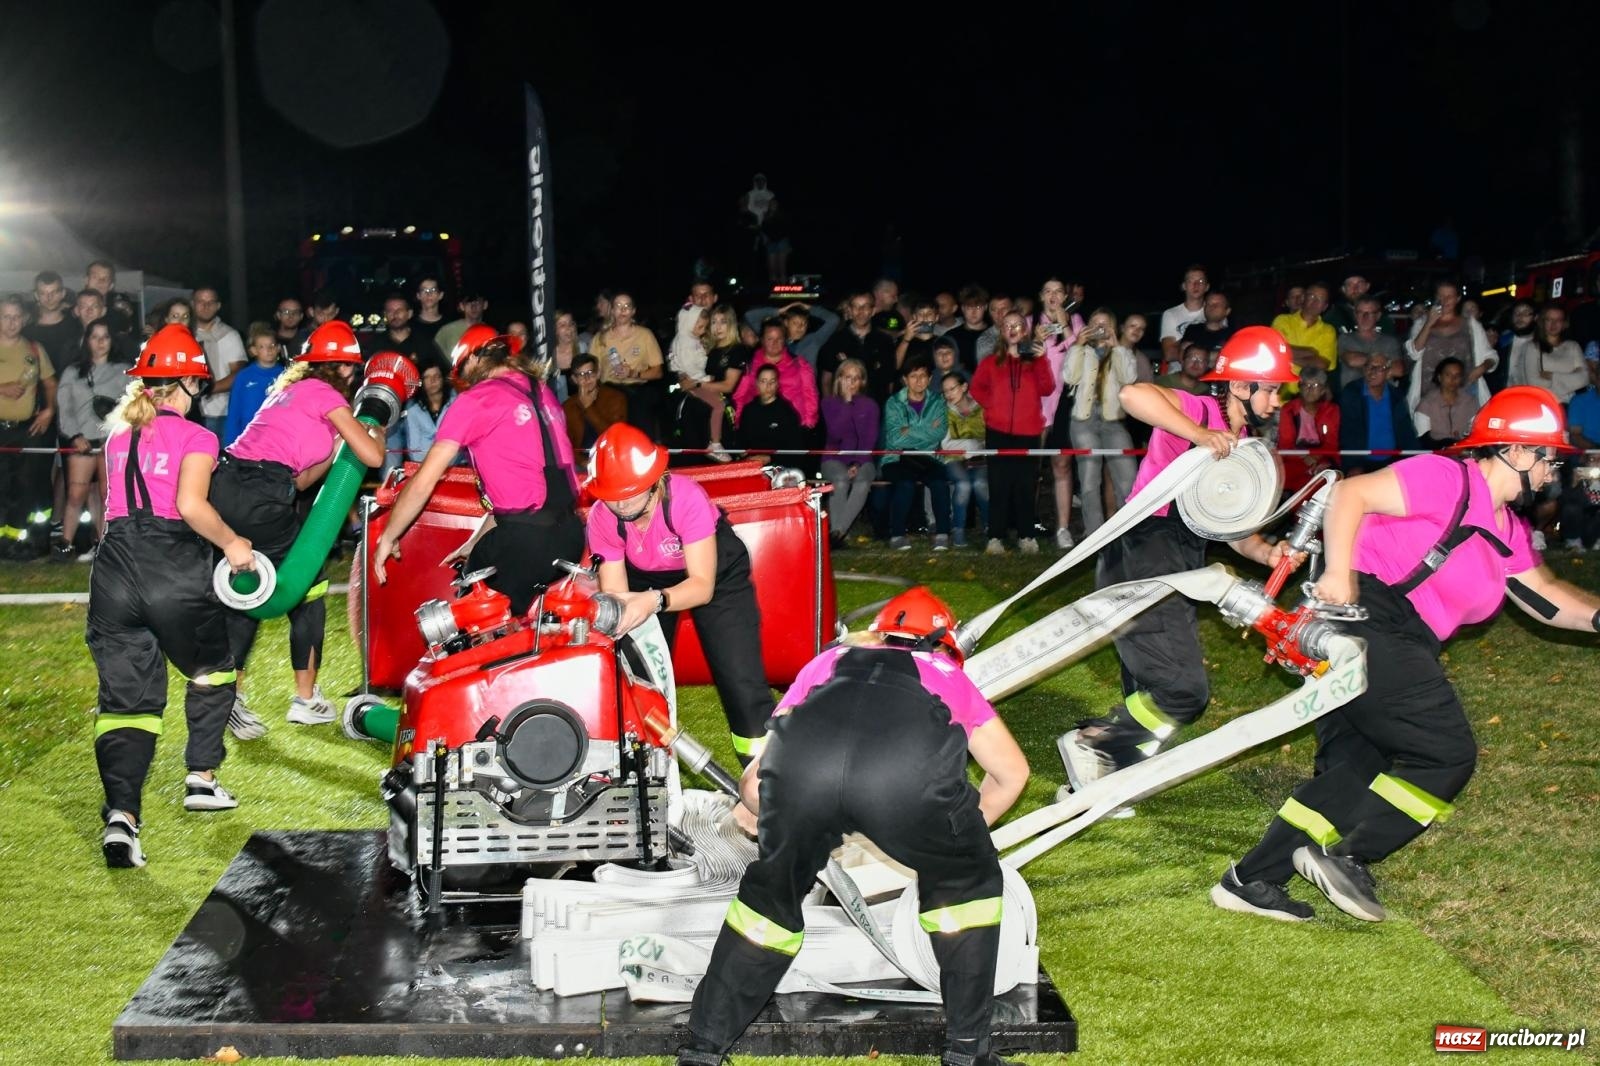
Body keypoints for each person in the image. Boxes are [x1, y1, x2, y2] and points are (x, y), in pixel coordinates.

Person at [1215, 386, 1600, 923]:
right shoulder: (1445, 478)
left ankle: (1251, 880)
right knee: (1446, 752)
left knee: (1357, 766)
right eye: (1547, 457)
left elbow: (1546, 597)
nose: (1551, 471)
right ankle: (1349, 855)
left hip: (1402, 637)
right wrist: (1339, 572)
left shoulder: (1507, 530)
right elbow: (1349, 495)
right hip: (1368, 618)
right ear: (1515, 450)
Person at [676, 587, 1029, 1066]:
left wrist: (786, 820)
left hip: (805, 777)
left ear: (878, 633)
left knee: (768, 904)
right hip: (904, 783)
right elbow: (1012, 774)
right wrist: (955, 838)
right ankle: (968, 1051)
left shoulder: (826, 662)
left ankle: (702, 1049)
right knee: (967, 890)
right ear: (946, 643)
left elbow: (756, 785)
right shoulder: (949, 675)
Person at [1057, 327, 1302, 792]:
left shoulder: (1240, 438)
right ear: (1239, 385)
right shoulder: (1201, 411)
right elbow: (1131, 395)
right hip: (1146, 549)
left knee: (1150, 687)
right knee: (1182, 690)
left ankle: (1098, 783)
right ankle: (1094, 742)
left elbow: (1232, 529)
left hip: (1175, 558)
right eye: (1271, 390)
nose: (1277, 402)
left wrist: (1267, 552)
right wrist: (1199, 434)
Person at [90, 324, 256, 868]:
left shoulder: (118, 435)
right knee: (213, 669)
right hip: (173, 564)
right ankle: (201, 777)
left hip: (114, 568)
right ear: (189, 382)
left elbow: (111, 507)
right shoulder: (197, 437)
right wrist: (233, 544)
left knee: (125, 705)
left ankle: (122, 818)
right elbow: (190, 506)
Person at [211, 320, 387, 736]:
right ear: (341, 368)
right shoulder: (327, 395)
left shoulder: (289, 391)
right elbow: (373, 457)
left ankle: (230, 695)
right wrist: (375, 427)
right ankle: (304, 700)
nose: (352, 376)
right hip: (262, 492)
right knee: (308, 587)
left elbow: (303, 480)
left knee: (248, 585)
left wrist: (340, 442)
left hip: (229, 485)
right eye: (350, 368)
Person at [584, 424, 777, 765]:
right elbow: (618, 597)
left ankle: (766, 773)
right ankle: (645, 769)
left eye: (630, 493)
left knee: (740, 678)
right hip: (644, 578)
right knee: (634, 678)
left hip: (715, 576)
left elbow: (701, 586)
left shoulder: (686, 498)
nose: (621, 504)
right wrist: (627, 616)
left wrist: (655, 601)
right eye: (611, 495)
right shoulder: (602, 517)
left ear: (655, 481)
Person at [375, 326, 583, 618]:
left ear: (472, 360)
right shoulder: (543, 392)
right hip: (570, 535)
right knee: (535, 626)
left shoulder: (477, 399)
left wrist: (388, 536)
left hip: (525, 542)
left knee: (471, 616)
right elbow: (525, 493)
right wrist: (473, 544)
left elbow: (424, 481)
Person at [970, 311, 1055, 554]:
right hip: (997, 431)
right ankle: (995, 536)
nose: (1013, 329)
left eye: (1018, 324)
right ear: (1002, 331)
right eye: (1008, 325)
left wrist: (1041, 359)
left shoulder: (1036, 361)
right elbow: (976, 388)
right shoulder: (990, 362)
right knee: (999, 485)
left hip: (1028, 432)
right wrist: (993, 406)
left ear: (1025, 330)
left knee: (1026, 486)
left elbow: (1047, 388)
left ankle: (1026, 535)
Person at [53, 317, 132, 561]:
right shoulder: (72, 371)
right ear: (86, 340)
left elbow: (135, 407)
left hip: (112, 442)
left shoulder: (125, 371)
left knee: (108, 495)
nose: (100, 342)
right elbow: (65, 408)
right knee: (76, 493)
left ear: (112, 340)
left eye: (105, 337)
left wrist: (119, 435)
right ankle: (65, 544)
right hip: (82, 442)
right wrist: (74, 435)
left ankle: (105, 545)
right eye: (95, 337)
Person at [1060, 308, 1140, 535]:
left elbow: (1129, 379)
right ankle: (1094, 534)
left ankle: (1129, 533)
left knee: (1128, 479)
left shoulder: (1122, 351)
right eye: (1095, 323)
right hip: (1083, 420)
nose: (1100, 328)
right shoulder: (1081, 350)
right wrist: (1077, 345)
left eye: (1105, 324)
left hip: (1114, 421)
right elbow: (1069, 377)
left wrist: (1118, 348)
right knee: (1089, 481)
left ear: (1113, 328)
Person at [0, 294, 56, 558]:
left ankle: (16, 542)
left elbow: (50, 383)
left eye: (16, 317)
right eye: (6, 317)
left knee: (25, 486)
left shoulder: (34, 349)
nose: (12, 322)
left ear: (24, 319)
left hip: (25, 429)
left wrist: (49, 410)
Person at [880, 357, 952, 551]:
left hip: (928, 458)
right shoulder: (894, 402)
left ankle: (942, 533)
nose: (919, 380)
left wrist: (908, 430)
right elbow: (895, 439)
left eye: (923, 376)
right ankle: (897, 535)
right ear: (905, 379)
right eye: (913, 376)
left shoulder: (938, 401)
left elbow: (939, 433)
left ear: (930, 379)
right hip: (896, 458)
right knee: (905, 484)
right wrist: (926, 429)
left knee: (939, 482)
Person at [1037, 278, 1086, 551]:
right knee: (1032, 467)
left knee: (1062, 465)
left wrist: (1064, 324)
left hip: (1065, 403)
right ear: (1041, 296)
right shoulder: (1031, 322)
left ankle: (1063, 528)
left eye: (1058, 291)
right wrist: (1035, 339)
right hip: (1036, 404)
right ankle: (1028, 525)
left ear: (1065, 296)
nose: (1053, 296)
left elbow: (1080, 353)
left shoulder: (1075, 321)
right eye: (1048, 291)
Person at [1406, 280, 1497, 411]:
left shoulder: (1471, 324)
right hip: (1429, 393)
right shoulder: (1421, 323)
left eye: (1449, 296)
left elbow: (1491, 356)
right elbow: (1414, 353)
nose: (1444, 300)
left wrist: (1482, 368)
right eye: (1440, 296)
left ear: (1457, 299)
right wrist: (1429, 323)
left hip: (1464, 392)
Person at [820, 358, 880, 549]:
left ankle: (837, 532)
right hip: (833, 457)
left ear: (862, 381)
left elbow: (869, 439)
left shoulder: (870, 406)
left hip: (863, 458)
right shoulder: (828, 403)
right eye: (847, 377)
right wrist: (846, 404)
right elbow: (835, 434)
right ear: (839, 379)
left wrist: (857, 463)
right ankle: (838, 535)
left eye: (856, 378)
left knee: (863, 481)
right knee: (840, 480)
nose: (851, 382)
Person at [592, 292, 665, 439]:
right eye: (618, 306)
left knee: (641, 438)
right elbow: (593, 369)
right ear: (612, 310)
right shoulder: (601, 338)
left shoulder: (645, 335)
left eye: (627, 306)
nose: (623, 310)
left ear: (633, 311)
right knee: (613, 437)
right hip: (610, 393)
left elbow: (658, 372)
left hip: (637, 394)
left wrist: (633, 373)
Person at [731, 320, 819, 433]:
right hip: (758, 424)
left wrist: (808, 423)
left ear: (785, 340)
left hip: (793, 425)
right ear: (762, 340)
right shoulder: (750, 364)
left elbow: (810, 394)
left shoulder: (799, 363)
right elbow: (740, 395)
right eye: (770, 339)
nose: (775, 343)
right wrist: (738, 422)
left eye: (779, 339)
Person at [1337, 354, 1418, 475]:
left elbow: (1406, 431)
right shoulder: (1352, 393)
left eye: (1379, 368)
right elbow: (1349, 432)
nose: (1372, 372)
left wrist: (1416, 460)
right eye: (1369, 366)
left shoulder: (1396, 396)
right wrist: (1353, 465)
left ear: (1388, 373)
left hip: (1392, 461)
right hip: (1361, 462)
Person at [383, 360, 457, 479]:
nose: (433, 381)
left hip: (453, 461)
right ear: (421, 382)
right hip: (423, 464)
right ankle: (390, 482)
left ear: (443, 379)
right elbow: (415, 450)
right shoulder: (413, 408)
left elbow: (457, 443)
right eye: (427, 377)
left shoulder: (456, 402)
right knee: (392, 438)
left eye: (436, 376)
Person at [942, 370, 989, 548]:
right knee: (963, 484)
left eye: (952, 389)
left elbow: (989, 439)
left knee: (980, 484)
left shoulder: (982, 408)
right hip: (952, 459)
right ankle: (958, 530)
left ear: (964, 387)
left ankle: (990, 527)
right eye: (945, 391)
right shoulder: (943, 412)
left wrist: (976, 447)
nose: (948, 394)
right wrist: (972, 445)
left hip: (981, 459)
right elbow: (945, 444)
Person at [1276, 365, 1340, 495]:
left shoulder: (1332, 410)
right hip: (1295, 459)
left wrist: (1315, 457)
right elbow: (1285, 445)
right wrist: (1305, 457)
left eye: (1315, 385)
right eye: (1306, 385)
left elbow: (1331, 444)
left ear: (1323, 390)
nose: (1310, 390)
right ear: (1300, 387)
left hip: (1322, 458)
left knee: (1325, 480)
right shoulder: (1288, 410)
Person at [222, 323, 287, 448]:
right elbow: (234, 411)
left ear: (279, 348)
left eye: (272, 345)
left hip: (277, 441)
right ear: (253, 350)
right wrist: (230, 444)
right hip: (249, 441)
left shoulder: (286, 375)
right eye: (262, 346)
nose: (269, 350)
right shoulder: (244, 376)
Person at [735, 364, 806, 458]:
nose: (768, 386)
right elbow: (741, 440)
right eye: (763, 381)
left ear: (777, 384)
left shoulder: (787, 412)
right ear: (757, 383)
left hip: (778, 464)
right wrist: (743, 453)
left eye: (772, 381)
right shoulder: (748, 410)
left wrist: (770, 458)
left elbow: (795, 448)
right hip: (751, 462)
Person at [563, 353, 629, 453]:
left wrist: (588, 408)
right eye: (581, 375)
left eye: (590, 372)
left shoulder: (615, 398)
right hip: (581, 458)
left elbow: (614, 437)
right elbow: (566, 445)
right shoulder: (567, 407)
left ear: (598, 374)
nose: (587, 378)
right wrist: (581, 460)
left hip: (610, 454)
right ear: (574, 379)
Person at [1413, 358, 1478, 449]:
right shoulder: (1426, 404)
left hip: (1464, 452)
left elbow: (1476, 432)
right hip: (1436, 452)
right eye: (1448, 375)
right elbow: (1422, 440)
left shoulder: (1470, 402)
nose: (1453, 379)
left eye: (1457, 375)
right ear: (1439, 377)